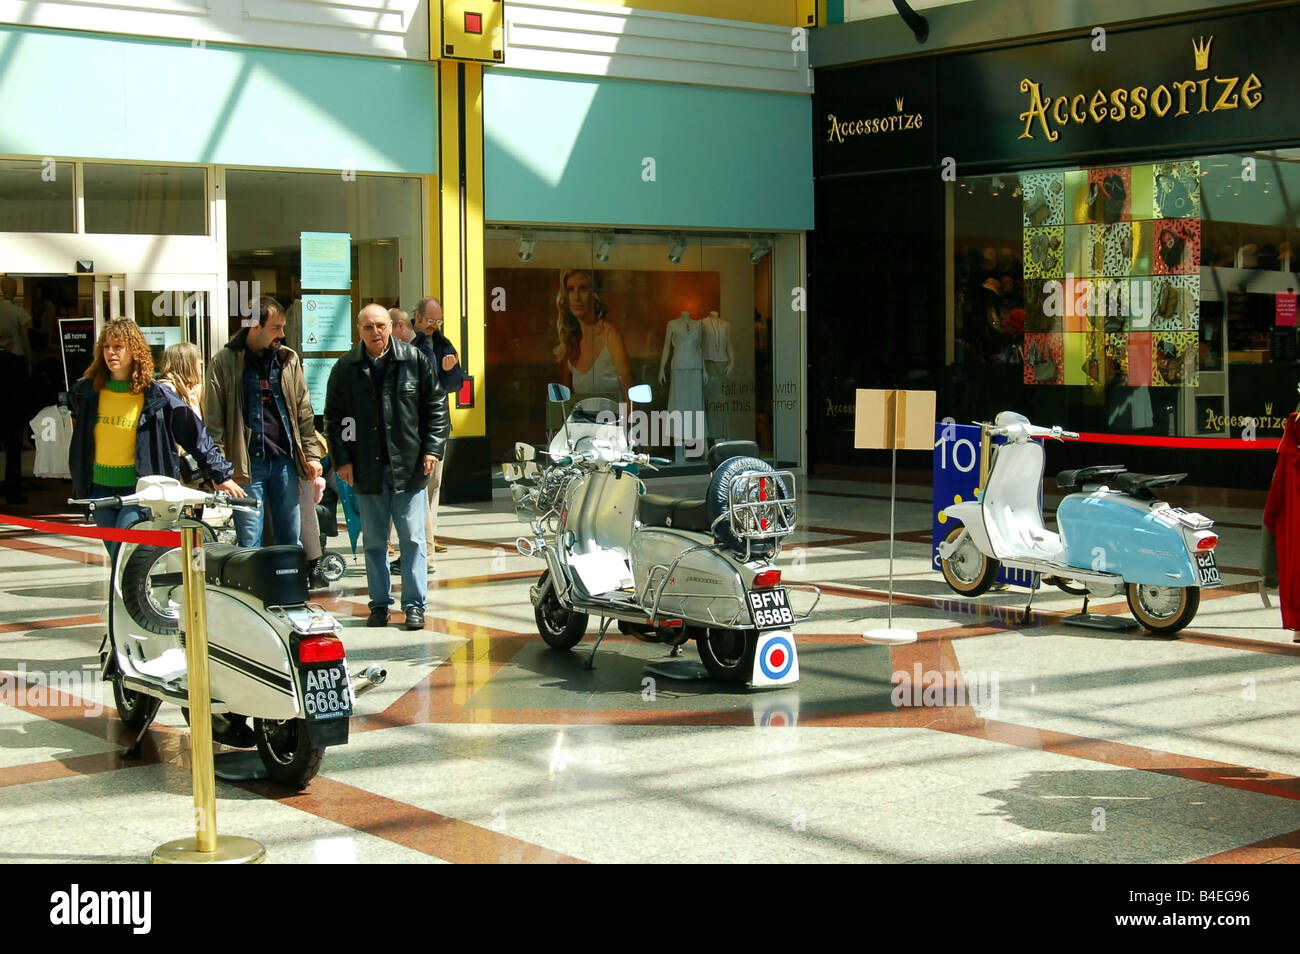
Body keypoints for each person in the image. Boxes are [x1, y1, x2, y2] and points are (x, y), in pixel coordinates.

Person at [69, 319, 243, 554]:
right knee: (117, 557)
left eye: (118, 347)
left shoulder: (156, 395)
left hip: (140, 491)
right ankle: (132, 590)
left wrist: (220, 473)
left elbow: (195, 434)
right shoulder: (88, 392)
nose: (111, 352)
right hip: (100, 490)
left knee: (127, 552)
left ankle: (136, 590)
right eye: (107, 347)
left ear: (134, 351)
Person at [324, 304, 449, 630]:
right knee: (375, 543)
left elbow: (436, 407)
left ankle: (414, 606)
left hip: (408, 468)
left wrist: (432, 449)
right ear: (359, 330)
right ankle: (379, 605)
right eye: (368, 327)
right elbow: (334, 419)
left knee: (413, 541)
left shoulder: (414, 360)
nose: (375, 332)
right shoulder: (345, 368)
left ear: (391, 327)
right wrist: (343, 460)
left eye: (381, 325)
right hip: (366, 469)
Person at [206, 295, 321, 549]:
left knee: (290, 537)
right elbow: (213, 422)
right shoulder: (224, 361)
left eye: (282, 327)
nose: (281, 334)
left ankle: (288, 587)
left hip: (284, 462)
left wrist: (311, 454)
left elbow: (304, 412)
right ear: (255, 326)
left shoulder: (287, 359)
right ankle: (254, 589)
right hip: (247, 466)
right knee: (249, 541)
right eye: (276, 328)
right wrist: (219, 470)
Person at [410, 296, 465, 561]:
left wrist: (450, 372)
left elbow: (455, 385)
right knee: (418, 484)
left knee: (434, 484)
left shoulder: (444, 344)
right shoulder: (410, 344)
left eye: (437, 320)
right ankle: (418, 540)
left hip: (438, 424)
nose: (433, 325)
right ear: (417, 318)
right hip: (415, 426)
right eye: (430, 320)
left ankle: (430, 535)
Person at [553, 269, 633, 401]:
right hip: (582, 421)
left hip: (613, 419)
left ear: (594, 294)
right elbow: (562, 404)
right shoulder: (571, 343)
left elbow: (632, 400)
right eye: (570, 289)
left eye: (583, 288)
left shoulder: (610, 336)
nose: (576, 297)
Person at [0, 330, 29, 504]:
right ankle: (12, 493)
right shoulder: (17, 362)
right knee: (13, 456)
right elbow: (24, 391)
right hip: (12, 414)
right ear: (11, 345)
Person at [0, 277, 32, 373]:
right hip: (16, 356)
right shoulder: (19, 311)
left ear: (2, 289)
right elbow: (24, 340)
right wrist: (29, 363)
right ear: (15, 290)